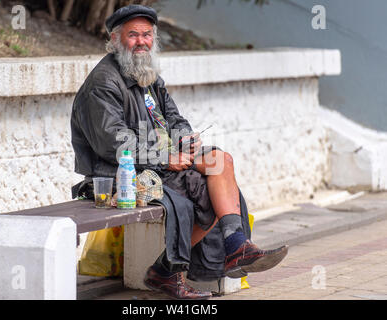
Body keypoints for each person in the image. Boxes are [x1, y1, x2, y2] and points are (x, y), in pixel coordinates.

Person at [70, 4, 288, 300]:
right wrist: (164, 157)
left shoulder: (148, 76)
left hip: (157, 162)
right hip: (118, 173)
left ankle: (236, 246)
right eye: (132, 35)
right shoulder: (103, 82)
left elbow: (174, 118)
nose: (141, 42)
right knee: (204, 189)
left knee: (219, 161)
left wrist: (185, 139)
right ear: (115, 39)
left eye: (147, 35)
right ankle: (166, 271)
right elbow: (112, 142)